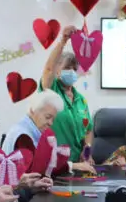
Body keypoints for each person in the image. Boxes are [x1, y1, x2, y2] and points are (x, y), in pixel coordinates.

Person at [40, 24, 94, 162]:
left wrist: (87, 151)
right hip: (53, 164)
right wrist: (63, 41)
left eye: (74, 69)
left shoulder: (81, 100)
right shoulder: (50, 90)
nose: (71, 72)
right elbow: (48, 69)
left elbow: (88, 130)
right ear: (57, 70)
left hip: (78, 164)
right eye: (66, 68)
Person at [2, 92, 94, 173]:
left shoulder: (27, 128)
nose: (50, 123)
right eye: (47, 117)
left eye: (53, 119)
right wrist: (73, 166)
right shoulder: (23, 136)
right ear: (32, 110)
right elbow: (40, 168)